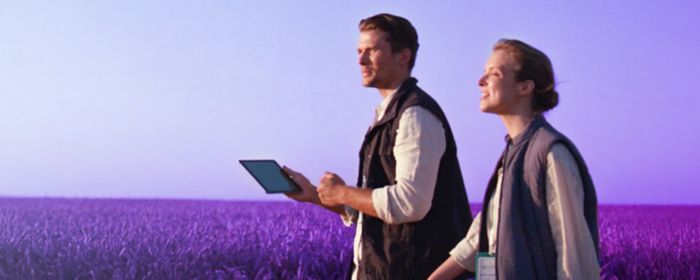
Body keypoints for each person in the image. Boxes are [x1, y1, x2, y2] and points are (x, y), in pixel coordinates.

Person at [282, 13, 473, 279]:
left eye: (371, 50)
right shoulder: (389, 113)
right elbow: (379, 211)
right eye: (359, 51)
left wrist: (343, 192)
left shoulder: (415, 114)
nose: (360, 60)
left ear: (403, 56)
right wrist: (316, 195)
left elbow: (409, 203)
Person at [429, 39, 600, 280]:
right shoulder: (512, 154)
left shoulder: (551, 154)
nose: (480, 81)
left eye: (494, 73)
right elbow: (480, 238)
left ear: (525, 87)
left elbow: (574, 259)